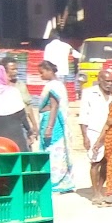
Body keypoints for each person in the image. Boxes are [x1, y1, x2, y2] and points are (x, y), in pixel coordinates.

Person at [34, 60, 76, 194]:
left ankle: (56, 182)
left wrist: (49, 127)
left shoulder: (53, 86)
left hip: (54, 123)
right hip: (55, 122)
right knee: (59, 152)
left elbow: (54, 106)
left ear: (49, 71)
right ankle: (64, 182)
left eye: (42, 73)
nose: (41, 76)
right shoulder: (58, 85)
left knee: (54, 153)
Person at [79, 70, 112, 203]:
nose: (109, 84)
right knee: (95, 163)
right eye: (107, 81)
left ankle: (100, 188)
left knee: (106, 163)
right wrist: (85, 137)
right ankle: (95, 193)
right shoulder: (89, 93)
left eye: (111, 81)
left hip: (109, 133)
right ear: (99, 80)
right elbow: (83, 116)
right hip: (93, 132)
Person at [0, 57, 32, 150]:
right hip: (16, 137)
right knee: (19, 162)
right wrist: (29, 130)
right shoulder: (13, 92)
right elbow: (22, 116)